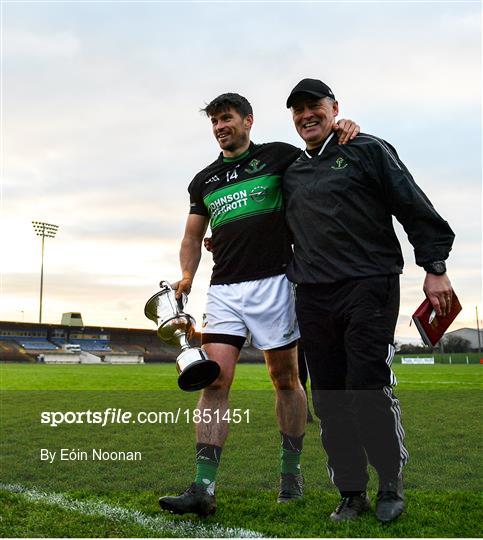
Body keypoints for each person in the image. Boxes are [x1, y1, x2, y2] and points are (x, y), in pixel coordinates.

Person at [158, 92, 359, 517]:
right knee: (214, 381)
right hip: (225, 291)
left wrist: (342, 131)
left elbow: (318, 161)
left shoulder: (278, 157)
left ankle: (290, 475)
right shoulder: (204, 180)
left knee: (285, 380)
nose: (220, 127)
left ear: (248, 120)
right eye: (214, 122)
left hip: (275, 284)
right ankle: (203, 487)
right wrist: (189, 277)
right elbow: (193, 237)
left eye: (226, 118)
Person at [282, 78, 455, 523]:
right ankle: (351, 492)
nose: (306, 116)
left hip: (369, 284)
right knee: (329, 396)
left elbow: (413, 205)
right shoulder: (292, 171)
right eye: (298, 110)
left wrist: (435, 268)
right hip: (314, 294)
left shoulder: (368, 149)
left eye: (314, 106)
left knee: (366, 386)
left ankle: (390, 483)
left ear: (334, 107)